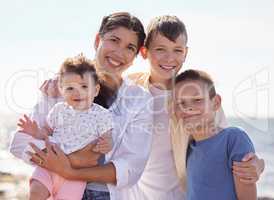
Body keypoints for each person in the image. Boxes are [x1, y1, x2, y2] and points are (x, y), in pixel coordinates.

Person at [9, 12, 153, 200]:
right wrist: (69, 161)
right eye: (114, 40)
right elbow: (19, 142)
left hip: (106, 195)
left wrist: (70, 171)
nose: (119, 52)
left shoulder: (139, 100)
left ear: (135, 56)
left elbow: (130, 169)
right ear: (97, 40)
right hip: (57, 188)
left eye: (129, 47)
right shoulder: (61, 87)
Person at [127, 15, 264, 199]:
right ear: (144, 52)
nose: (170, 58)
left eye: (177, 50)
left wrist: (258, 164)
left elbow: (224, 147)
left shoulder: (199, 98)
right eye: (160, 49)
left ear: (185, 53)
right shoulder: (130, 90)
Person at [17, 56, 113, 200]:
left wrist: (106, 144)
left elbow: (108, 138)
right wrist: (35, 131)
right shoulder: (59, 109)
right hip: (49, 166)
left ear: (96, 90)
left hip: (75, 176)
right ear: (62, 90)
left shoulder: (101, 114)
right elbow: (47, 132)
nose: (77, 92)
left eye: (84, 86)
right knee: (36, 192)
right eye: (70, 88)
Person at [173, 69, 257, 200]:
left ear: (216, 103)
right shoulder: (188, 149)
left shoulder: (233, 138)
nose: (188, 108)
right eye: (181, 103)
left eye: (197, 99)